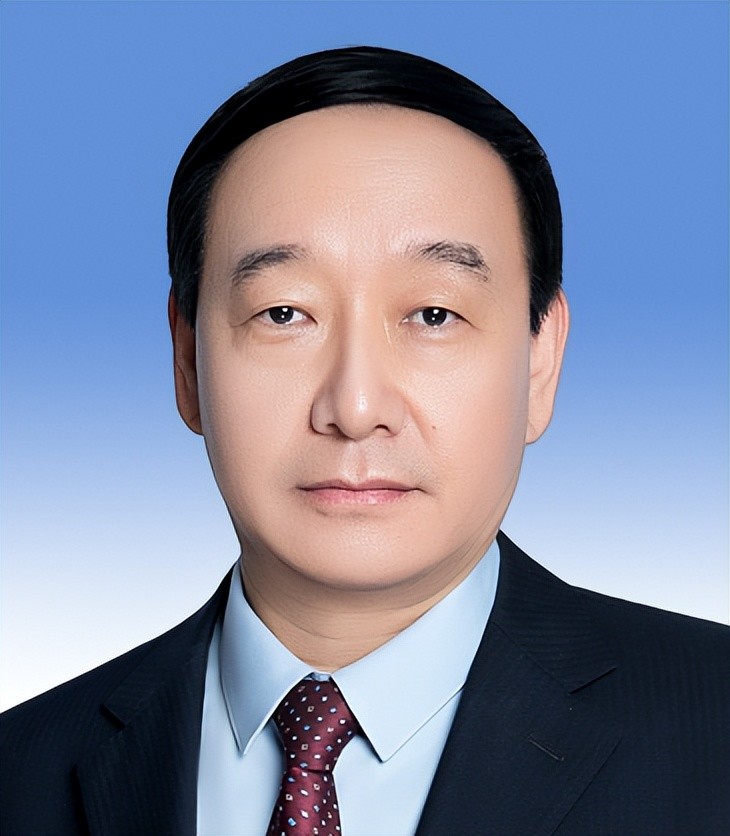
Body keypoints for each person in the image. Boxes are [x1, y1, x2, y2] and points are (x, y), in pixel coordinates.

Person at [1, 46, 728, 836]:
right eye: (284, 314)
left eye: (433, 315)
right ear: (186, 360)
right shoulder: (21, 771)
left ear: (540, 360)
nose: (354, 408)